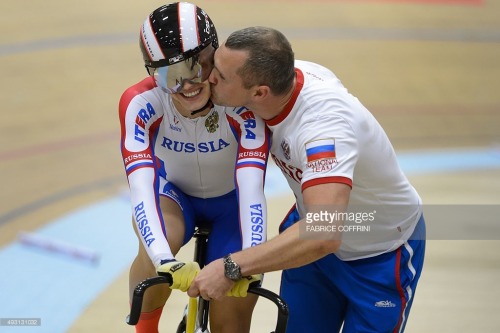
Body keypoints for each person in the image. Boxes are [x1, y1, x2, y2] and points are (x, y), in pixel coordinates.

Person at [188, 26, 426, 333]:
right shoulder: (285, 78)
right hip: (315, 247)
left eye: (220, 75)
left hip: (378, 251)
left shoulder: (322, 130)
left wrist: (231, 266)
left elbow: (325, 232)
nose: (209, 78)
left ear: (260, 92)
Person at [119, 5, 270, 333]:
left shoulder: (241, 100)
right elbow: (141, 190)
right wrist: (162, 260)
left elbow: (252, 187)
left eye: (197, 66)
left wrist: (252, 259)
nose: (187, 84)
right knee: (160, 243)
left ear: (215, 55)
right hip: (172, 196)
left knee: (231, 315)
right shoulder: (140, 104)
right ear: (151, 75)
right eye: (169, 76)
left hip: (232, 204)